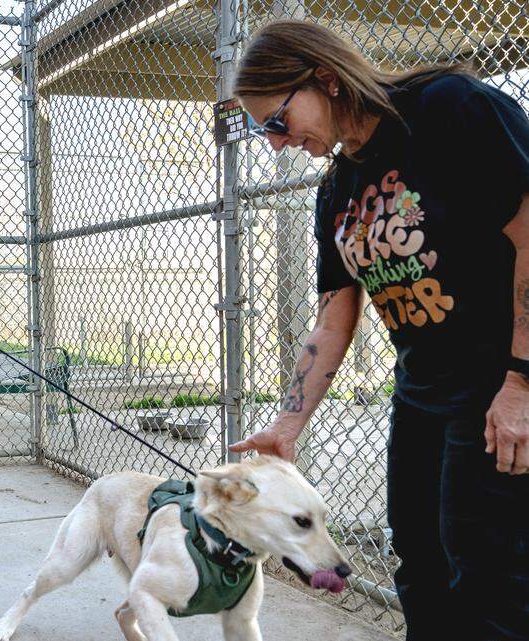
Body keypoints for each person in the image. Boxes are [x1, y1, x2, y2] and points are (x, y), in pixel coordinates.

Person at [227, 19, 529, 640]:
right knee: (418, 561)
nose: (276, 143)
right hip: (422, 389)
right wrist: (288, 424)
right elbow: (335, 314)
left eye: (277, 121)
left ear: (326, 80)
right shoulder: (339, 185)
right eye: (263, 131)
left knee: (487, 572)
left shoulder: (449, 109)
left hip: (497, 380)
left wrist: (521, 381)